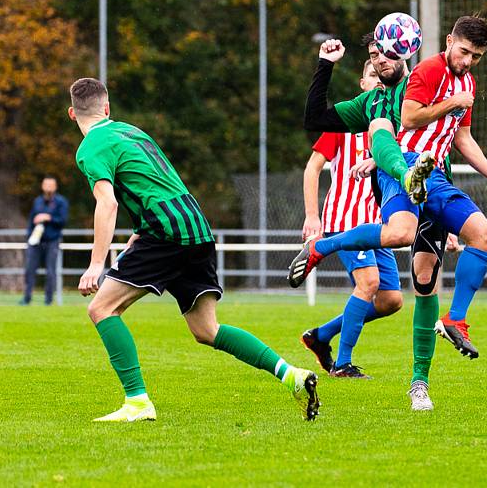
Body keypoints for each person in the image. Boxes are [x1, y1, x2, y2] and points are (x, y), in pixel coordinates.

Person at [293, 17, 487, 410]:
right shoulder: (390, 93)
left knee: (450, 263)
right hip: (403, 176)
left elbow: (461, 137)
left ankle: (427, 370)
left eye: (476, 56)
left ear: (404, 52)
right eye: (372, 57)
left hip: (436, 179)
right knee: (400, 235)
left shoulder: (455, 81)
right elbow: (390, 125)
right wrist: (324, 65)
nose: (468, 62)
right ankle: (328, 248)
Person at [68, 77, 319, 422]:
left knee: (101, 309)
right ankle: (291, 374)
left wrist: (97, 263)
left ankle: (137, 402)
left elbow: (107, 203)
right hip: (196, 227)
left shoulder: (90, 147)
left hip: (166, 232)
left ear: (72, 114)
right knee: (207, 330)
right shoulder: (133, 133)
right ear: (108, 108)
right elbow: (157, 182)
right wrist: (139, 233)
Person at [301, 59, 403, 379]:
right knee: (369, 283)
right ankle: (342, 364)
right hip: (346, 219)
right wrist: (312, 216)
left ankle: (320, 336)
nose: (376, 82)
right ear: (362, 84)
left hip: (378, 226)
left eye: (381, 78)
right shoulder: (345, 124)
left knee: (390, 300)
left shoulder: (395, 125)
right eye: (371, 76)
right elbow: (312, 167)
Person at [20, 176, 69, 306]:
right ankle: (26, 298)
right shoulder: (38, 201)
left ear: (55, 187)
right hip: (36, 241)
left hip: (52, 241)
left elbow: (63, 221)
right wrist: (30, 237)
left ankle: (48, 300)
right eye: (46, 184)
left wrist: (48, 217)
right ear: (42, 186)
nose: (48, 187)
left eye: (50, 185)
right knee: (29, 270)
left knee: (51, 272)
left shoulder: (61, 202)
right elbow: (31, 220)